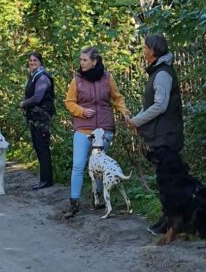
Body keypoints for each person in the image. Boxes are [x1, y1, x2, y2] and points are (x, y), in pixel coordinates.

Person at [63, 46, 131, 218]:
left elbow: (117, 98)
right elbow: (69, 102)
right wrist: (81, 111)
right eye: (81, 59)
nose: (81, 63)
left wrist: (125, 113)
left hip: (103, 130)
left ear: (94, 62)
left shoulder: (107, 78)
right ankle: (74, 202)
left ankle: (99, 199)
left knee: (100, 167)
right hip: (83, 129)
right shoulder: (77, 80)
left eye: (85, 60)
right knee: (78, 165)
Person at [127, 33, 184, 235]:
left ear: (153, 50)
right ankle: (168, 219)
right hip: (163, 135)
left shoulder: (162, 74)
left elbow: (160, 105)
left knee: (169, 182)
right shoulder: (158, 71)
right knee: (165, 181)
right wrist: (136, 120)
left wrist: (137, 121)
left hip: (167, 136)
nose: (143, 51)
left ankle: (172, 222)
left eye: (145, 47)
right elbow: (151, 105)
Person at [20, 51, 55, 189]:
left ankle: (47, 180)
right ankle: (44, 179)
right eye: (30, 60)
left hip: (42, 117)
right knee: (38, 146)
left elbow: (37, 98)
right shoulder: (33, 76)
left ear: (40, 62)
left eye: (35, 60)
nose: (32, 62)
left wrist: (23, 103)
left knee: (42, 147)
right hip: (35, 117)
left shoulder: (43, 77)